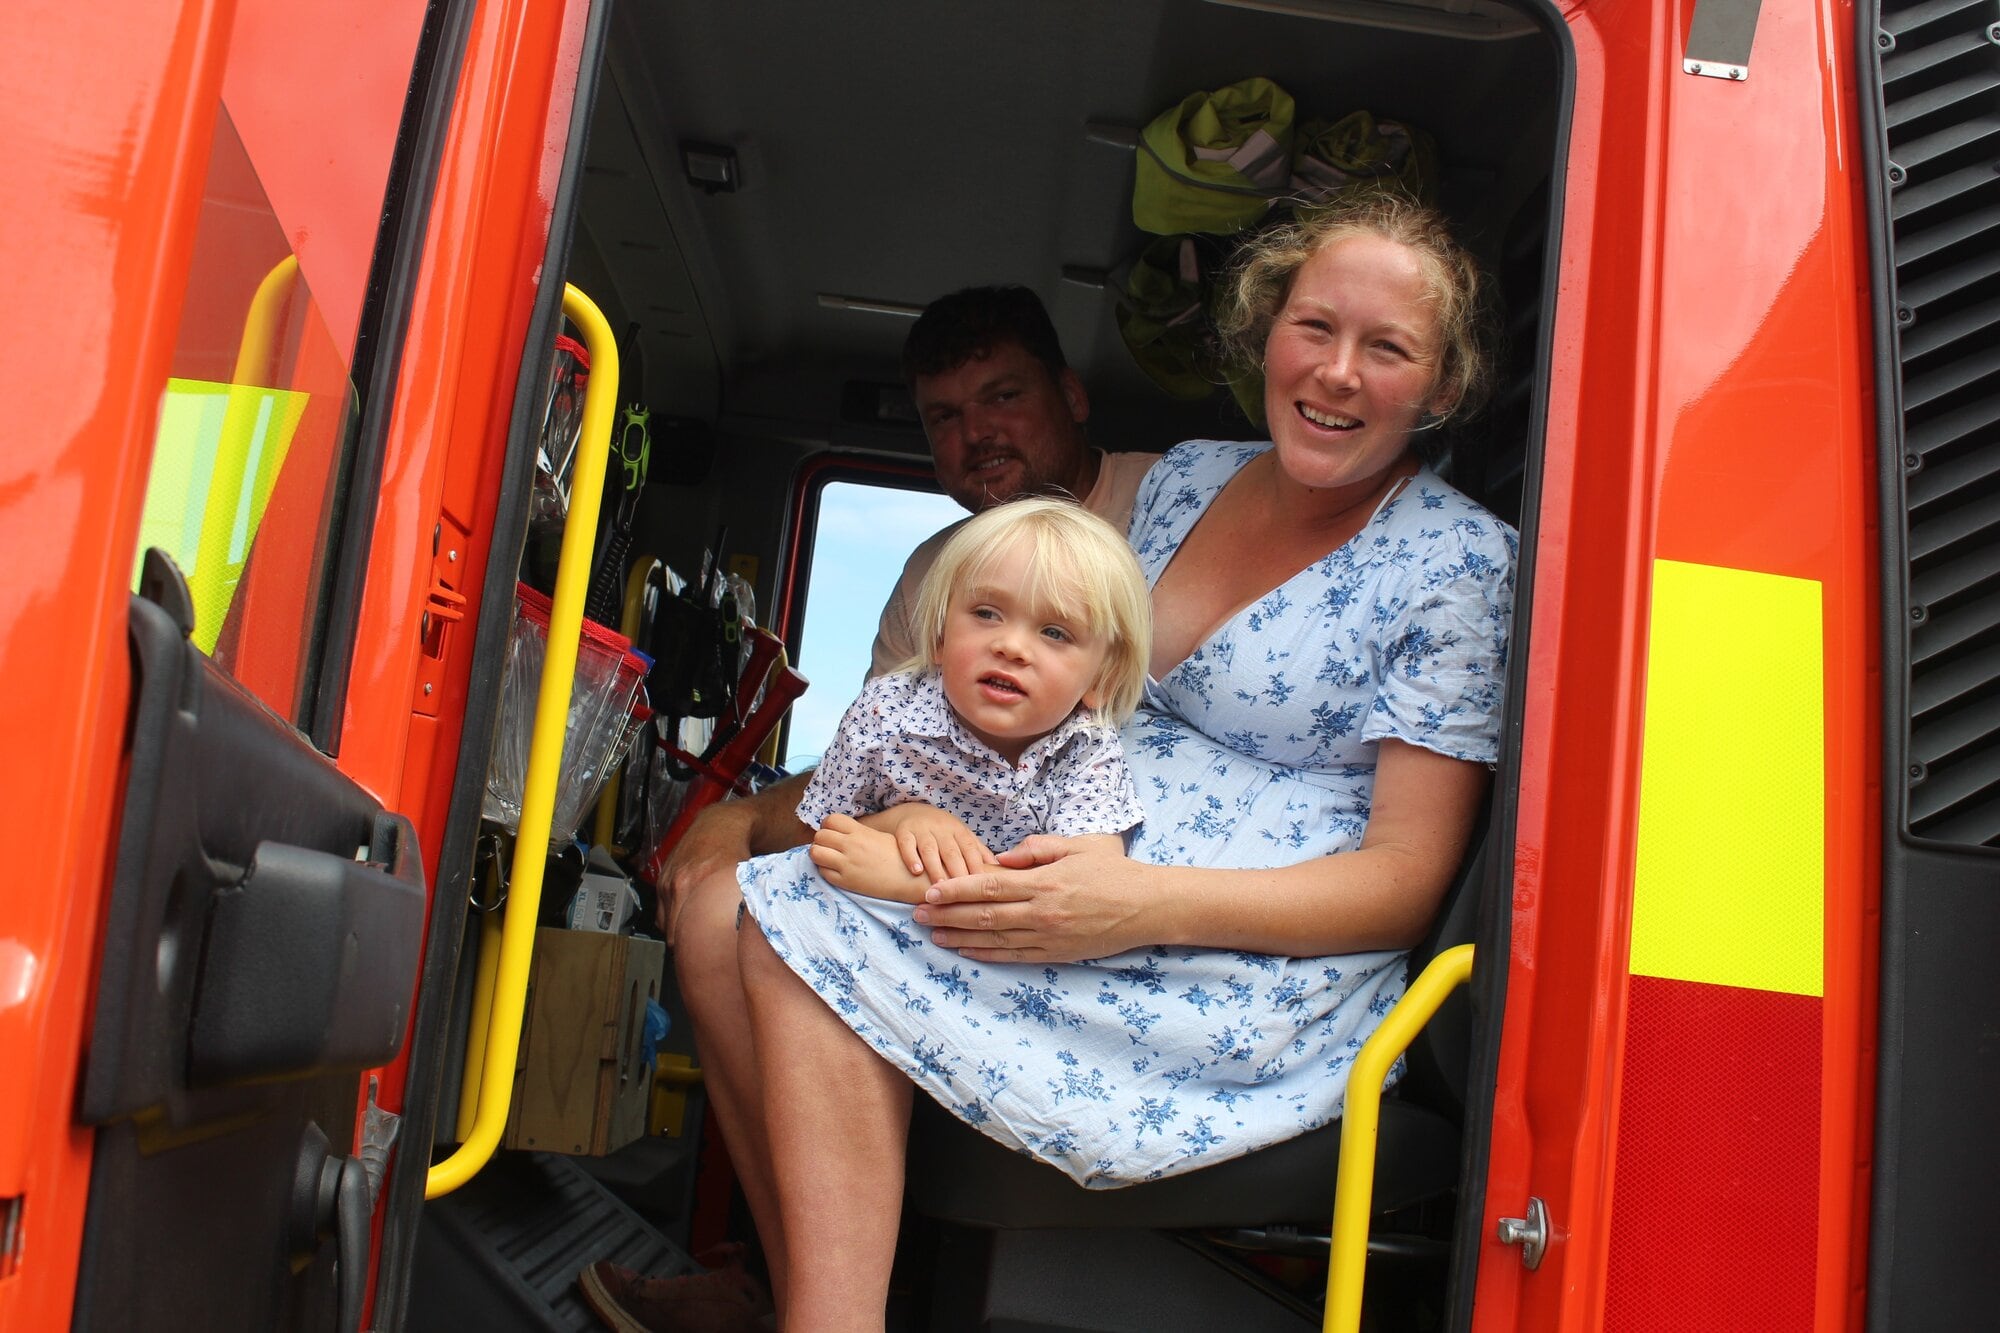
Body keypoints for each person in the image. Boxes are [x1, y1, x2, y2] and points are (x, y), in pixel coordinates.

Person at [724, 192, 1518, 1327]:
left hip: (1225, 957)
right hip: (1069, 869)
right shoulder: (1188, 479)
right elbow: (1050, 692)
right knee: (732, 908)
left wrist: (1133, 901)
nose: (1337, 372)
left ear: (1437, 388)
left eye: (1385, 348)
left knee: (784, 910)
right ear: (1265, 334)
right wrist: (913, 812)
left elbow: (1401, 884)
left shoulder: (1459, 565)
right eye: (1314, 328)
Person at [580, 288, 1157, 1332]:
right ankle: (801, 1289)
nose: (975, 433)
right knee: (712, 891)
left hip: (1046, 882)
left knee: (772, 909)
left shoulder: (1164, 506)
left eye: (1003, 396)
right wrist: (736, 816)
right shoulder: (934, 575)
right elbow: (884, 759)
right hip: (923, 855)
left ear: (1071, 396)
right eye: (942, 416)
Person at [741, 496, 1152, 952]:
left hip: (999, 954)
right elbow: (813, 836)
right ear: (940, 635)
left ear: (1101, 679)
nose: (1011, 645)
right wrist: (902, 820)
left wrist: (911, 880)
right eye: (986, 613)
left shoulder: (1087, 748)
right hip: (864, 932)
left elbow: (1088, 889)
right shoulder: (886, 712)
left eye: (1055, 632)